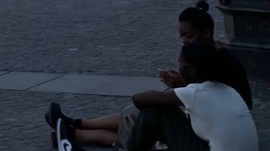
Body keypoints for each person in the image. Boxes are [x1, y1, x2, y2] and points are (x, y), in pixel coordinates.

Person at [46, 41, 257, 150]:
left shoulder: (197, 92)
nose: (177, 67)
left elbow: (140, 99)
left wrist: (178, 88)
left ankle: (80, 132)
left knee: (153, 111)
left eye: (180, 65)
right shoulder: (227, 90)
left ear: (192, 70)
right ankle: (75, 127)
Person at [173, 1, 252, 109]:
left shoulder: (222, 60)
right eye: (182, 36)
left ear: (206, 33)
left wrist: (183, 85)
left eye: (189, 36)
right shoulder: (200, 56)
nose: (184, 41)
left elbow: (208, 97)